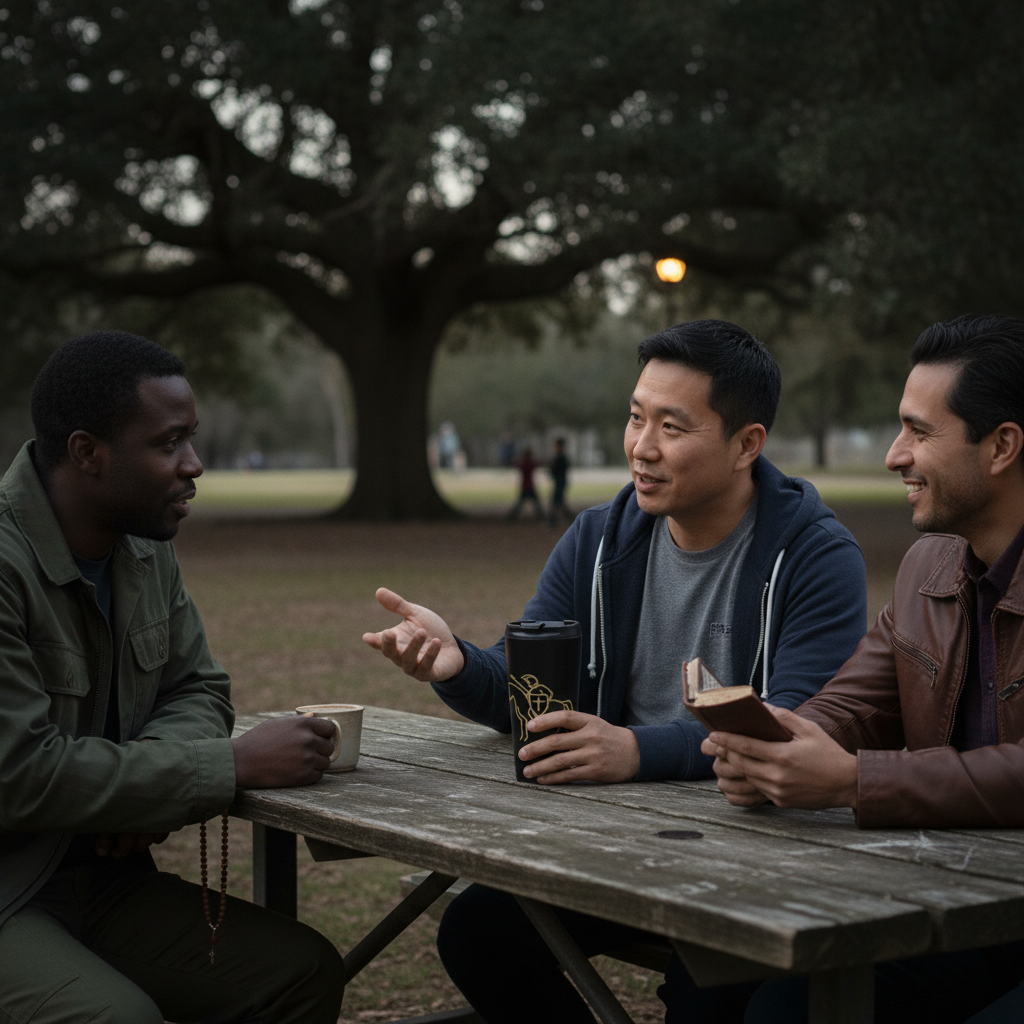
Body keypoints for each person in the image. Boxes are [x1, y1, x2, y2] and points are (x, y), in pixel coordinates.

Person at [363, 319, 868, 1023]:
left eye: (671, 425)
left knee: (709, 987)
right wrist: (458, 665)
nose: (642, 447)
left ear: (746, 444)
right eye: (636, 418)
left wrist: (635, 750)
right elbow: (532, 696)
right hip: (614, 842)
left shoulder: (815, 556)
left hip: (754, 858)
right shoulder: (599, 538)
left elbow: (793, 730)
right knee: (480, 931)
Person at [0, 331, 345, 1024]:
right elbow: (17, 772)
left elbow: (198, 687)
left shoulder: (142, 548)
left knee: (298, 974)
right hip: (10, 891)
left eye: (191, 439)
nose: (194, 465)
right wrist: (225, 765)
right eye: (168, 444)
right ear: (87, 453)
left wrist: (150, 778)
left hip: (102, 881)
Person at [703, 314, 1024, 1024]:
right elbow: (852, 703)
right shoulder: (928, 567)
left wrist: (854, 781)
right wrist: (777, 745)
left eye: (919, 432)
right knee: (779, 1010)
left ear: (1001, 446)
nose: (893, 455)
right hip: (963, 900)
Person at [506, 446, 544, 520]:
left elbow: (516, 463)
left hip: (524, 486)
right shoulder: (531, 464)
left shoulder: (523, 464)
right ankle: (541, 517)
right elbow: (538, 463)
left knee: (520, 504)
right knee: (536, 504)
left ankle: (511, 517)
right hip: (530, 486)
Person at [547, 436, 573, 525]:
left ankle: (553, 521)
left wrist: (550, 469)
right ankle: (570, 518)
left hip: (560, 482)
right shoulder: (561, 457)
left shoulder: (560, 457)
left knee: (556, 502)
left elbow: (556, 470)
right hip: (560, 482)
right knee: (560, 502)